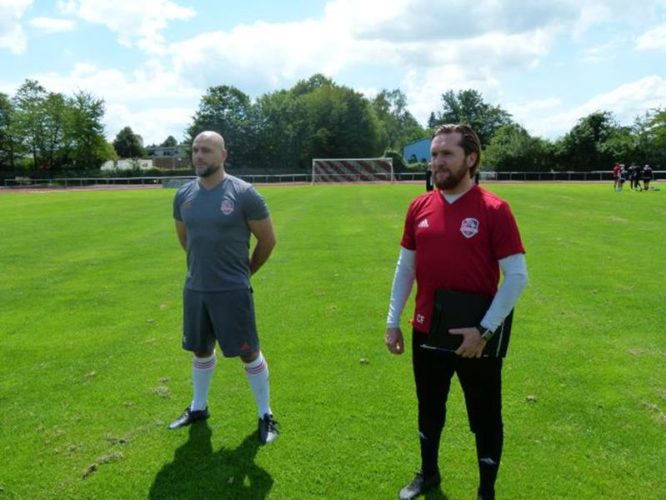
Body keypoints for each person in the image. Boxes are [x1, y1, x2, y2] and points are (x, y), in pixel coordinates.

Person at [385, 124, 528, 500]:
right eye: (434, 154)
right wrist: (392, 321)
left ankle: (486, 492)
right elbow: (405, 268)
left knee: (485, 416)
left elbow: (516, 276)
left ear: (471, 158)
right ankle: (429, 473)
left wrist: (484, 330)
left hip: (476, 337)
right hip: (426, 330)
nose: (437, 162)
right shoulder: (419, 206)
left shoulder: (494, 209)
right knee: (429, 407)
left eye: (447, 154)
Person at [169, 131, 279, 444]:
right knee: (201, 349)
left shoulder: (244, 194)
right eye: (195, 150)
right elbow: (186, 239)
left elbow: (268, 240)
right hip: (196, 288)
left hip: (232, 290)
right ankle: (198, 407)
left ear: (223, 155)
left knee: (249, 352)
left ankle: (265, 415)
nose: (198, 155)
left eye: (206, 150)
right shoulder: (183, 195)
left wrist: (246, 273)